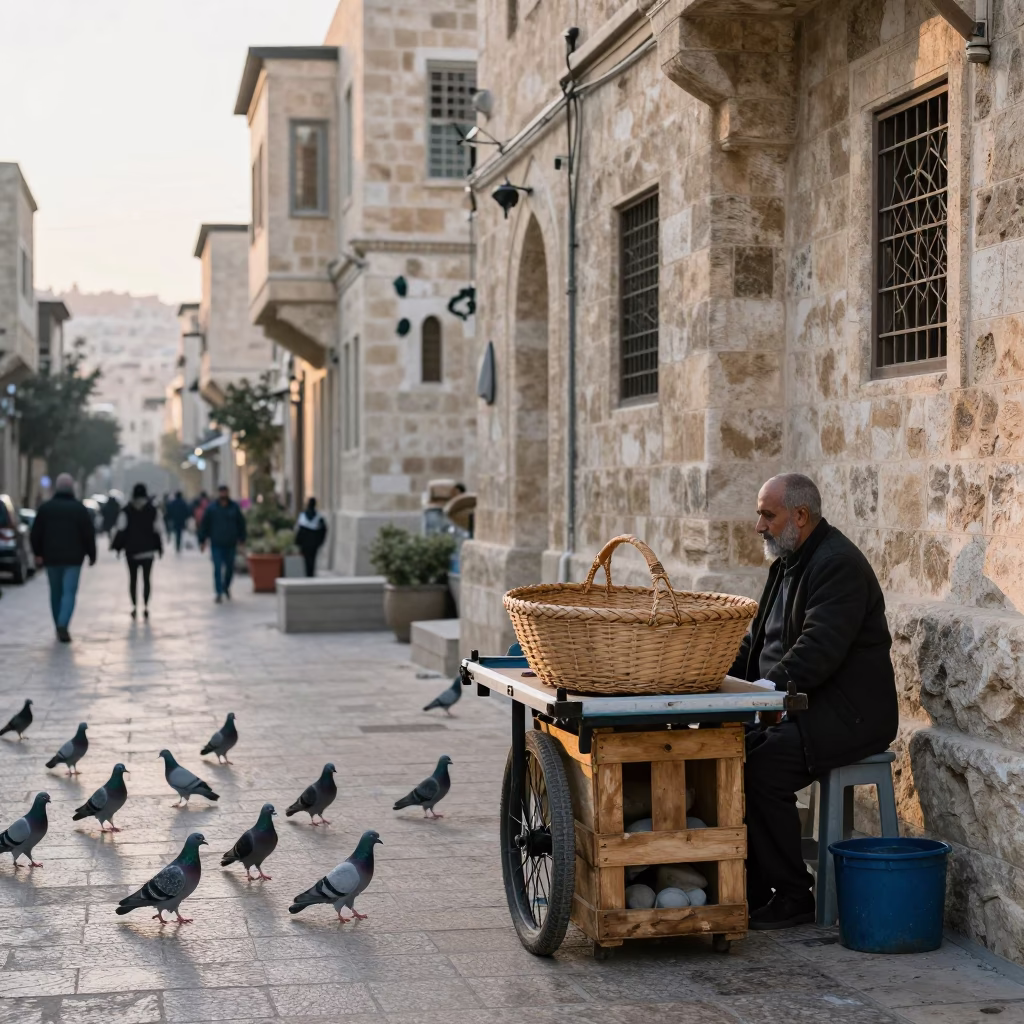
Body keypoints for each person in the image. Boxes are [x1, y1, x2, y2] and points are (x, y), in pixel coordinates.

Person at [729, 473, 897, 930]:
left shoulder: (837, 564)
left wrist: (765, 694)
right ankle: (750, 884)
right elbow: (757, 641)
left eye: (768, 514)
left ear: (799, 516)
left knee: (761, 767)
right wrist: (719, 679)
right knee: (726, 750)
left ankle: (792, 895)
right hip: (800, 703)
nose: (759, 526)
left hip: (848, 713)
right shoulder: (786, 561)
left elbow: (818, 649)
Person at [29, 473, 96, 643]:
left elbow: (35, 533)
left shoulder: (45, 508)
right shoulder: (80, 509)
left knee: (56, 592)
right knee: (69, 592)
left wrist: (37, 553)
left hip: (51, 558)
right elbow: (88, 534)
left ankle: (59, 624)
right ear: (72, 488)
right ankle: (63, 624)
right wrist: (92, 554)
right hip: (74, 558)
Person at [111, 483, 163, 620]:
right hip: (148, 551)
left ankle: (134, 606)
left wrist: (117, 547)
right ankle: (146, 606)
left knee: (133, 580)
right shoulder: (153, 510)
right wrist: (159, 548)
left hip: (131, 551)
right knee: (146, 579)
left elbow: (121, 530)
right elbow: (157, 530)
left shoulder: (126, 510)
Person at [197, 485, 246, 603]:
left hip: (231, 543)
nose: (223, 494)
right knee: (217, 568)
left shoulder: (234, 507)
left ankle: (226, 586)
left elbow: (241, 524)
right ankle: (219, 592)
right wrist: (202, 541)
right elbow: (205, 525)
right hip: (216, 543)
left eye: (225, 492)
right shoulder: (212, 508)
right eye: (221, 492)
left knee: (230, 568)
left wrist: (242, 539)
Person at [295, 497, 327, 577]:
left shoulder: (303, 515)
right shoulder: (319, 517)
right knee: (312, 558)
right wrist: (320, 541)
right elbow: (323, 530)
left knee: (306, 558)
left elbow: (299, 530)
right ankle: (311, 573)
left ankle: (308, 573)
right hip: (314, 542)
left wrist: (297, 541)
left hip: (305, 542)